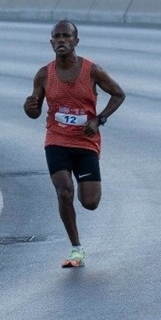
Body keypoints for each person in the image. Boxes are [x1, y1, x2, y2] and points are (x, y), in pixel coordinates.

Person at [23, 20, 126, 269]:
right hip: (56, 139)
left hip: (85, 141)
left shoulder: (92, 70)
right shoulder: (44, 74)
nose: (61, 40)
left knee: (90, 202)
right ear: (51, 42)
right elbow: (34, 112)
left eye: (66, 36)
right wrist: (29, 107)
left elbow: (118, 94)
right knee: (63, 190)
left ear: (76, 41)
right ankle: (76, 248)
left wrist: (99, 119)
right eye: (57, 36)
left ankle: (83, 184)